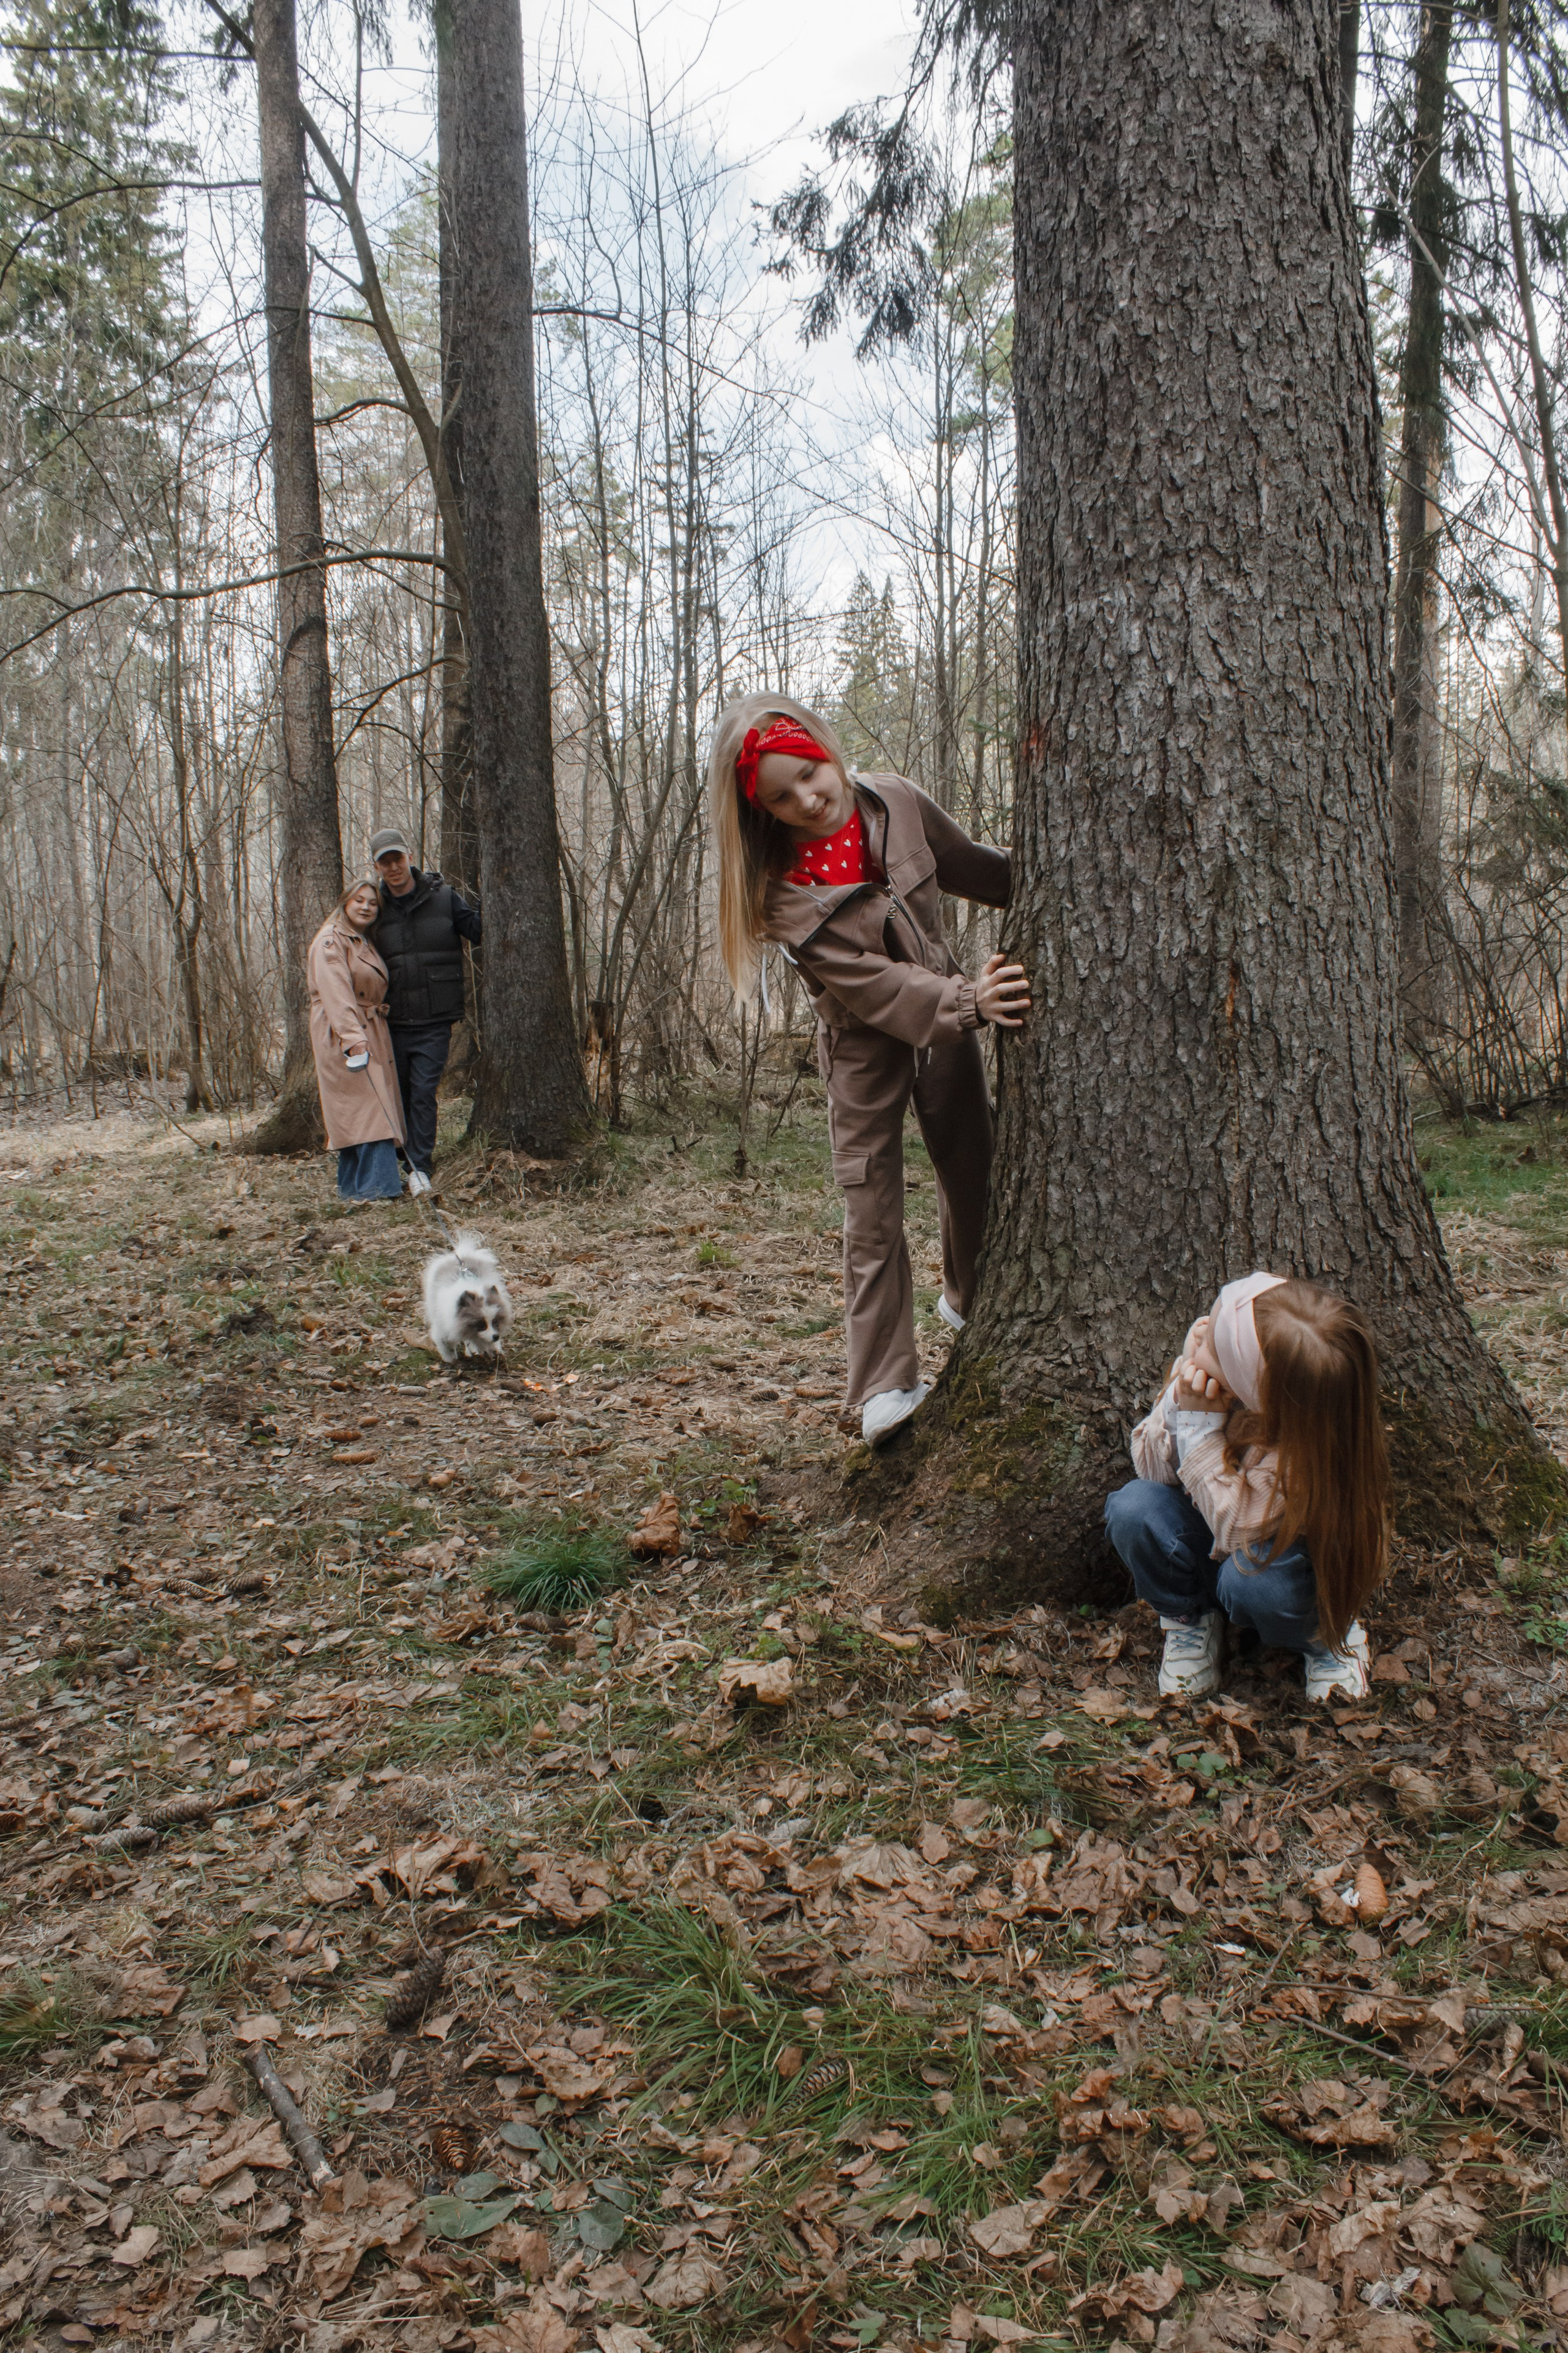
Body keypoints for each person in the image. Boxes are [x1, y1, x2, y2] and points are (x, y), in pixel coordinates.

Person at [708, 693, 1031, 1446]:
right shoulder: (779, 894)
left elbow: (984, 872)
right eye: (780, 797)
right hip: (864, 1043)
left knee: (970, 1159)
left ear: (825, 744)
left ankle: (970, 1295)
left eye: (810, 774)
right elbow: (875, 987)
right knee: (871, 1201)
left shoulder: (898, 803)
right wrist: (968, 1000)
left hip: (952, 1017)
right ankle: (886, 1381)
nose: (807, 800)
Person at [1105, 1273, 1388, 1704]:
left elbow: (1235, 1528)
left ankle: (1325, 1635)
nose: (1199, 1334)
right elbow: (1149, 1465)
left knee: (1250, 1584)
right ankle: (1190, 1617)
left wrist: (1200, 1431)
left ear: (1256, 1393)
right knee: (1133, 1508)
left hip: (1283, 1565)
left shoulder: (1300, 1459)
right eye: (1210, 1320)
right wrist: (1178, 1405)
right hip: (1220, 1540)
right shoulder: (1224, 1384)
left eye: (1213, 1345)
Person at [368, 826, 481, 1197]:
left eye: (398, 859)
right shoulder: (375, 908)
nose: (394, 867)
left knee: (422, 1092)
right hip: (392, 1020)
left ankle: (419, 1169)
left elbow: (479, 930)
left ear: (410, 858)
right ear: (378, 867)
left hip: (435, 1018)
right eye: (385, 862)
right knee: (396, 1093)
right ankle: (397, 1160)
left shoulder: (444, 897)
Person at [306, 882, 407, 1203]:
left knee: (363, 1109)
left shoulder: (361, 939)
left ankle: (355, 1189)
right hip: (343, 1032)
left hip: (368, 1028)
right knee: (367, 1109)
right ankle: (378, 1188)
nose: (366, 907)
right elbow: (335, 993)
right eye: (358, 901)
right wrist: (353, 1040)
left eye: (373, 903)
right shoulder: (330, 940)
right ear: (345, 902)